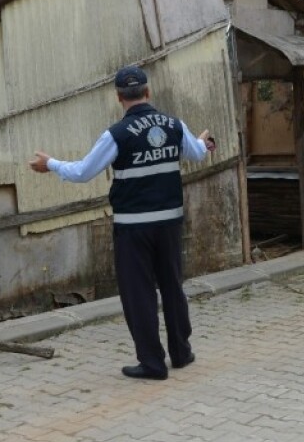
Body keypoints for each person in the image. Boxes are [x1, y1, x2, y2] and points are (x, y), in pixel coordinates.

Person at [30, 65, 215, 381]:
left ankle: (153, 363)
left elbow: (83, 172)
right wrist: (201, 141)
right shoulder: (174, 125)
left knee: (139, 293)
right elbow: (198, 152)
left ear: (119, 97)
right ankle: (181, 353)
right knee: (172, 286)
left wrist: (51, 164)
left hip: (133, 228)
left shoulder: (115, 135)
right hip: (169, 223)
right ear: (148, 92)